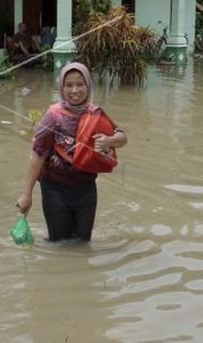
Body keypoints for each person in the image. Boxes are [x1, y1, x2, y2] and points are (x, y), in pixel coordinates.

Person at [15, 62, 127, 242]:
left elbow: (122, 137)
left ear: (88, 86)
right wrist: (26, 194)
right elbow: (37, 154)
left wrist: (109, 140)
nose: (75, 90)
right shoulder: (53, 115)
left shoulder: (96, 113)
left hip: (86, 188)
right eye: (69, 85)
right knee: (59, 241)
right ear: (61, 87)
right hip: (55, 188)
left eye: (80, 84)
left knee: (83, 241)